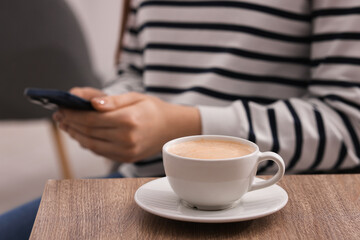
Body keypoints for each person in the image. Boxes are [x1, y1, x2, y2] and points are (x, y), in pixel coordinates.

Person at [1, 0, 359, 239]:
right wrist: (114, 103)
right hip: (138, 189)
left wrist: (182, 126)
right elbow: (134, 71)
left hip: (282, 206)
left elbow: (349, 122)